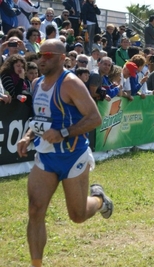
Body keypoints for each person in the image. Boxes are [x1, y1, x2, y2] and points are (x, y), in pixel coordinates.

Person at [16, 39, 113, 267]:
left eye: (48, 55)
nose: (41, 59)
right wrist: (28, 136)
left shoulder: (71, 83)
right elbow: (39, 120)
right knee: (35, 209)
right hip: (46, 156)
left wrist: (64, 132)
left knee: (77, 215)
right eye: (40, 55)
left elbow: (95, 119)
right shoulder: (37, 84)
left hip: (72, 156)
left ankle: (99, 200)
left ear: (61, 58)